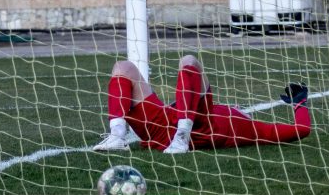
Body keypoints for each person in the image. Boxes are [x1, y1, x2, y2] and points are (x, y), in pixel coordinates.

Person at [92, 55, 311, 154]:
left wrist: (300, 103)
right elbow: (302, 129)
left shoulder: (249, 127)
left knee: (189, 61)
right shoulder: (235, 115)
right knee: (123, 67)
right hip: (161, 128)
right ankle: (117, 135)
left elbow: (301, 130)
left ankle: (182, 136)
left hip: (200, 128)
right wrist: (299, 101)